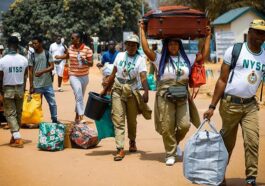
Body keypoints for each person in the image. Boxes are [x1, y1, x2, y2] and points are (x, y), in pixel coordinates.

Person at [203, 19, 265, 186]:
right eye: (257, 32)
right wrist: (211, 106)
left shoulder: (264, 56)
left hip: (251, 105)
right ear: (250, 32)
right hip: (230, 105)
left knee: (252, 141)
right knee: (227, 144)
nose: (261, 36)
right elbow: (222, 80)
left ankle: (251, 178)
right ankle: (219, 174)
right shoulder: (235, 50)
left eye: (263, 33)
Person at [140, 21, 211, 166]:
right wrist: (141, 29)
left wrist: (208, 36)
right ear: (166, 46)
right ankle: (170, 153)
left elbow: (203, 54)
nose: (173, 46)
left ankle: (174, 143)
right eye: (170, 44)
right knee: (167, 126)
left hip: (182, 95)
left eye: (176, 44)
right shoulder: (160, 58)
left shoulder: (187, 58)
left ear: (179, 45)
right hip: (164, 96)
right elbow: (146, 49)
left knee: (184, 125)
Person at [101, 34, 150, 161]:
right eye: (128, 44)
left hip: (132, 92)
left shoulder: (140, 59)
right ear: (125, 45)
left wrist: (146, 91)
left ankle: (132, 141)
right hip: (117, 89)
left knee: (132, 120)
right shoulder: (120, 55)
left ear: (137, 46)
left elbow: (143, 76)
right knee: (118, 119)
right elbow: (113, 73)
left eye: (133, 45)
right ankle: (120, 148)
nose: (131, 46)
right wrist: (105, 89)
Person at [55, 32, 93, 124]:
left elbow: (91, 64)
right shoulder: (70, 48)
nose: (71, 40)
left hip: (84, 76)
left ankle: (76, 117)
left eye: (73, 38)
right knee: (79, 95)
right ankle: (81, 117)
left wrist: (85, 62)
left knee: (79, 96)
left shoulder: (87, 49)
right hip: (73, 76)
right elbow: (67, 56)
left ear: (78, 39)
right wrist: (59, 57)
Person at [0, 36, 28, 147]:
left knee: (10, 114)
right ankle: (14, 136)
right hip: (20, 88)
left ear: (7, 45)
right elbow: (25, 75)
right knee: (18, 113)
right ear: (17, 45)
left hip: (8, 89)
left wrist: (0, 92)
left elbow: (0, 78)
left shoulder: (2, 61)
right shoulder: (24, 59)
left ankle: (17, 137)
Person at [29, 36, 60, 124]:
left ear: (40, 43)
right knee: (37, 104)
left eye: (36, 43)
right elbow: (30, 71)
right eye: (33, 44)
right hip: (37, 84)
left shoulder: (47, 53)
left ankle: (54, 120)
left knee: (52, 103)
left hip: (47, 83)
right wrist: (31, 85)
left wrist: (42, 71)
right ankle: (38, 121)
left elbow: (52, 66)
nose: (34, 45)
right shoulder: (32, 56)